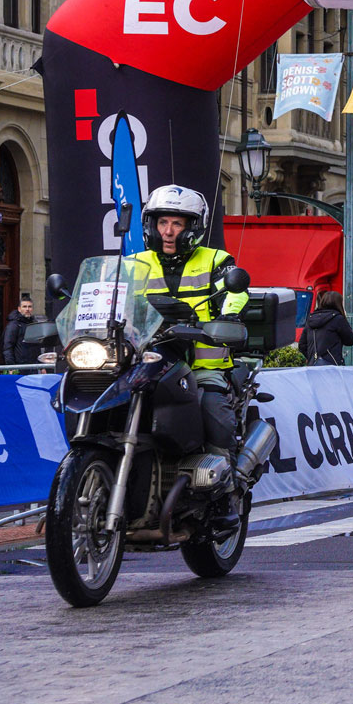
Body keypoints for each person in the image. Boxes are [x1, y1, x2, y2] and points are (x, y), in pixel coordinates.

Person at [127, 185, 249, 536]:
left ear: (193, 227)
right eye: (162, 222)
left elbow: (235, 294)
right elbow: (110, 299)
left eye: (177, 223)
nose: (168, 231)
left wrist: (227, 318)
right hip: (147, 361)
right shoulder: (133, 264)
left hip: (202, 364)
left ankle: (224, 497)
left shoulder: (215, 261)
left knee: (211, 410)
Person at [298, 290, 353, 365]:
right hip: (332, 365)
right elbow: (350, 340)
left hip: (313, 365)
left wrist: (312, 358)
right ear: (339, 304)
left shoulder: (311, 319)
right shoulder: (338, 319)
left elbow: (302, 345)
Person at [1, 296, 41, 367]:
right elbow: (7, 347)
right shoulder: (14, 325)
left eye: (29, 307)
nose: (27, 309)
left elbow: (37, 347)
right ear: (19, 309)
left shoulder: (34, 323)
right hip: (19, 366)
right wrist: (11, 366)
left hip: (33, 366)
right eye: (24, 307)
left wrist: (41, 366)